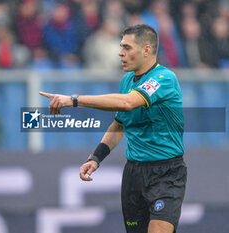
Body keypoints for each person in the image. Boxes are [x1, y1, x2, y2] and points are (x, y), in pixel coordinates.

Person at [40, 24, 186, 233]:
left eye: (127, 47)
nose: (120, 53)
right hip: (134, 173)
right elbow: (119, 124)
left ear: (146, 50)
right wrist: (96, 157)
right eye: (121, 47)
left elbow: (127, 103)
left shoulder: (164, 79)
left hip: (166, 174)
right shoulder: (127, 80)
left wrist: (74, 100)